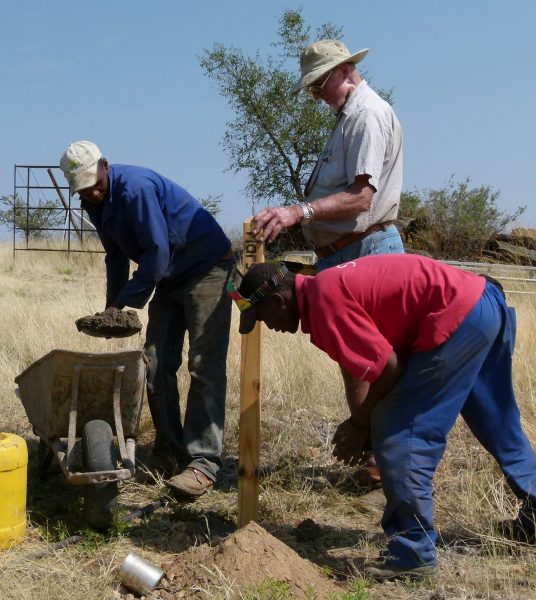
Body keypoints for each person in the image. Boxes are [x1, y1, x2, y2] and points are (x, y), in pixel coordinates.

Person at [227, 255, 536, 580]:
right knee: (495, 420)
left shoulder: (323, 302)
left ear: (278, 301)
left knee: (400, 432)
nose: (268, 327)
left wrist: (360, 423)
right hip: (483, 304)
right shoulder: (325, 287)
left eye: (262, 318)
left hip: (458, 316)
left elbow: (389, 369)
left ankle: (413, 551)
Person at [252, 39, 405, 490]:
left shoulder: (366, 115)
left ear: (344, 70)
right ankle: (370, 458)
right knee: (355, 359)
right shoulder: (347, 117)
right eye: (312, 86)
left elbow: (362, 197)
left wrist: (300, 212)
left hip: (367, 249)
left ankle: (386, 463)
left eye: (319, 83)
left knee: (379, 361)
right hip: (344, 252)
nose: (315, 94)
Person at [60, 140, 235, 499]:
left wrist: (128, 302)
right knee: (155, 365)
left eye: (95, 182)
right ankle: (170, 452)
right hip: (170, 275)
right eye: (83, 188)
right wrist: (112, 308)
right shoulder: (95, 201)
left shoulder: (135, 188)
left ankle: (203, 463)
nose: (92, 191)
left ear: (105, 165)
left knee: (203, 365)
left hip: (207, 269)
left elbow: (155, 253)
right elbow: (116, 256)